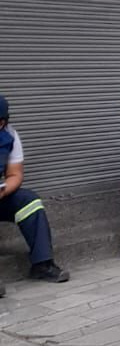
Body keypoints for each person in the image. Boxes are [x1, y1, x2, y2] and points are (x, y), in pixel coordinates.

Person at [0, 95, 69, 295]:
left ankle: (42, 264)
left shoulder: (9, 136)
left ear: (2, 123)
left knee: (30, 202)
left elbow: (15, 175)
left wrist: (2, 190)